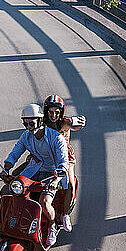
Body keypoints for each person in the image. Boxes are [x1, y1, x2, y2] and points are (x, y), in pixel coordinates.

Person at [1, 103, 69, 247]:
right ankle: (10, 220)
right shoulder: (26, 136)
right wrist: (7, 167)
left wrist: (56, 180)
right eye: (25, 123)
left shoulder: (56, 138)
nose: (28, 127)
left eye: (31, 123)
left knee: (45, 202)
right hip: (34, 170)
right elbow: (15, 153)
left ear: (39, 121)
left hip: (52, 174)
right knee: (6, 191)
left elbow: (64, 163)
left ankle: (52, 226)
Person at [43, 95, 86, 233]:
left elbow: (75, 125)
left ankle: (65, 214)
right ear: (46, 112)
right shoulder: (42, 123)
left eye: (57, 112)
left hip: (65, 158)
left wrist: (80, 122)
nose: (54, 115)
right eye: (51, 112)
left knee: (69, 183)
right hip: (47, 155)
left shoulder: (64, 122)